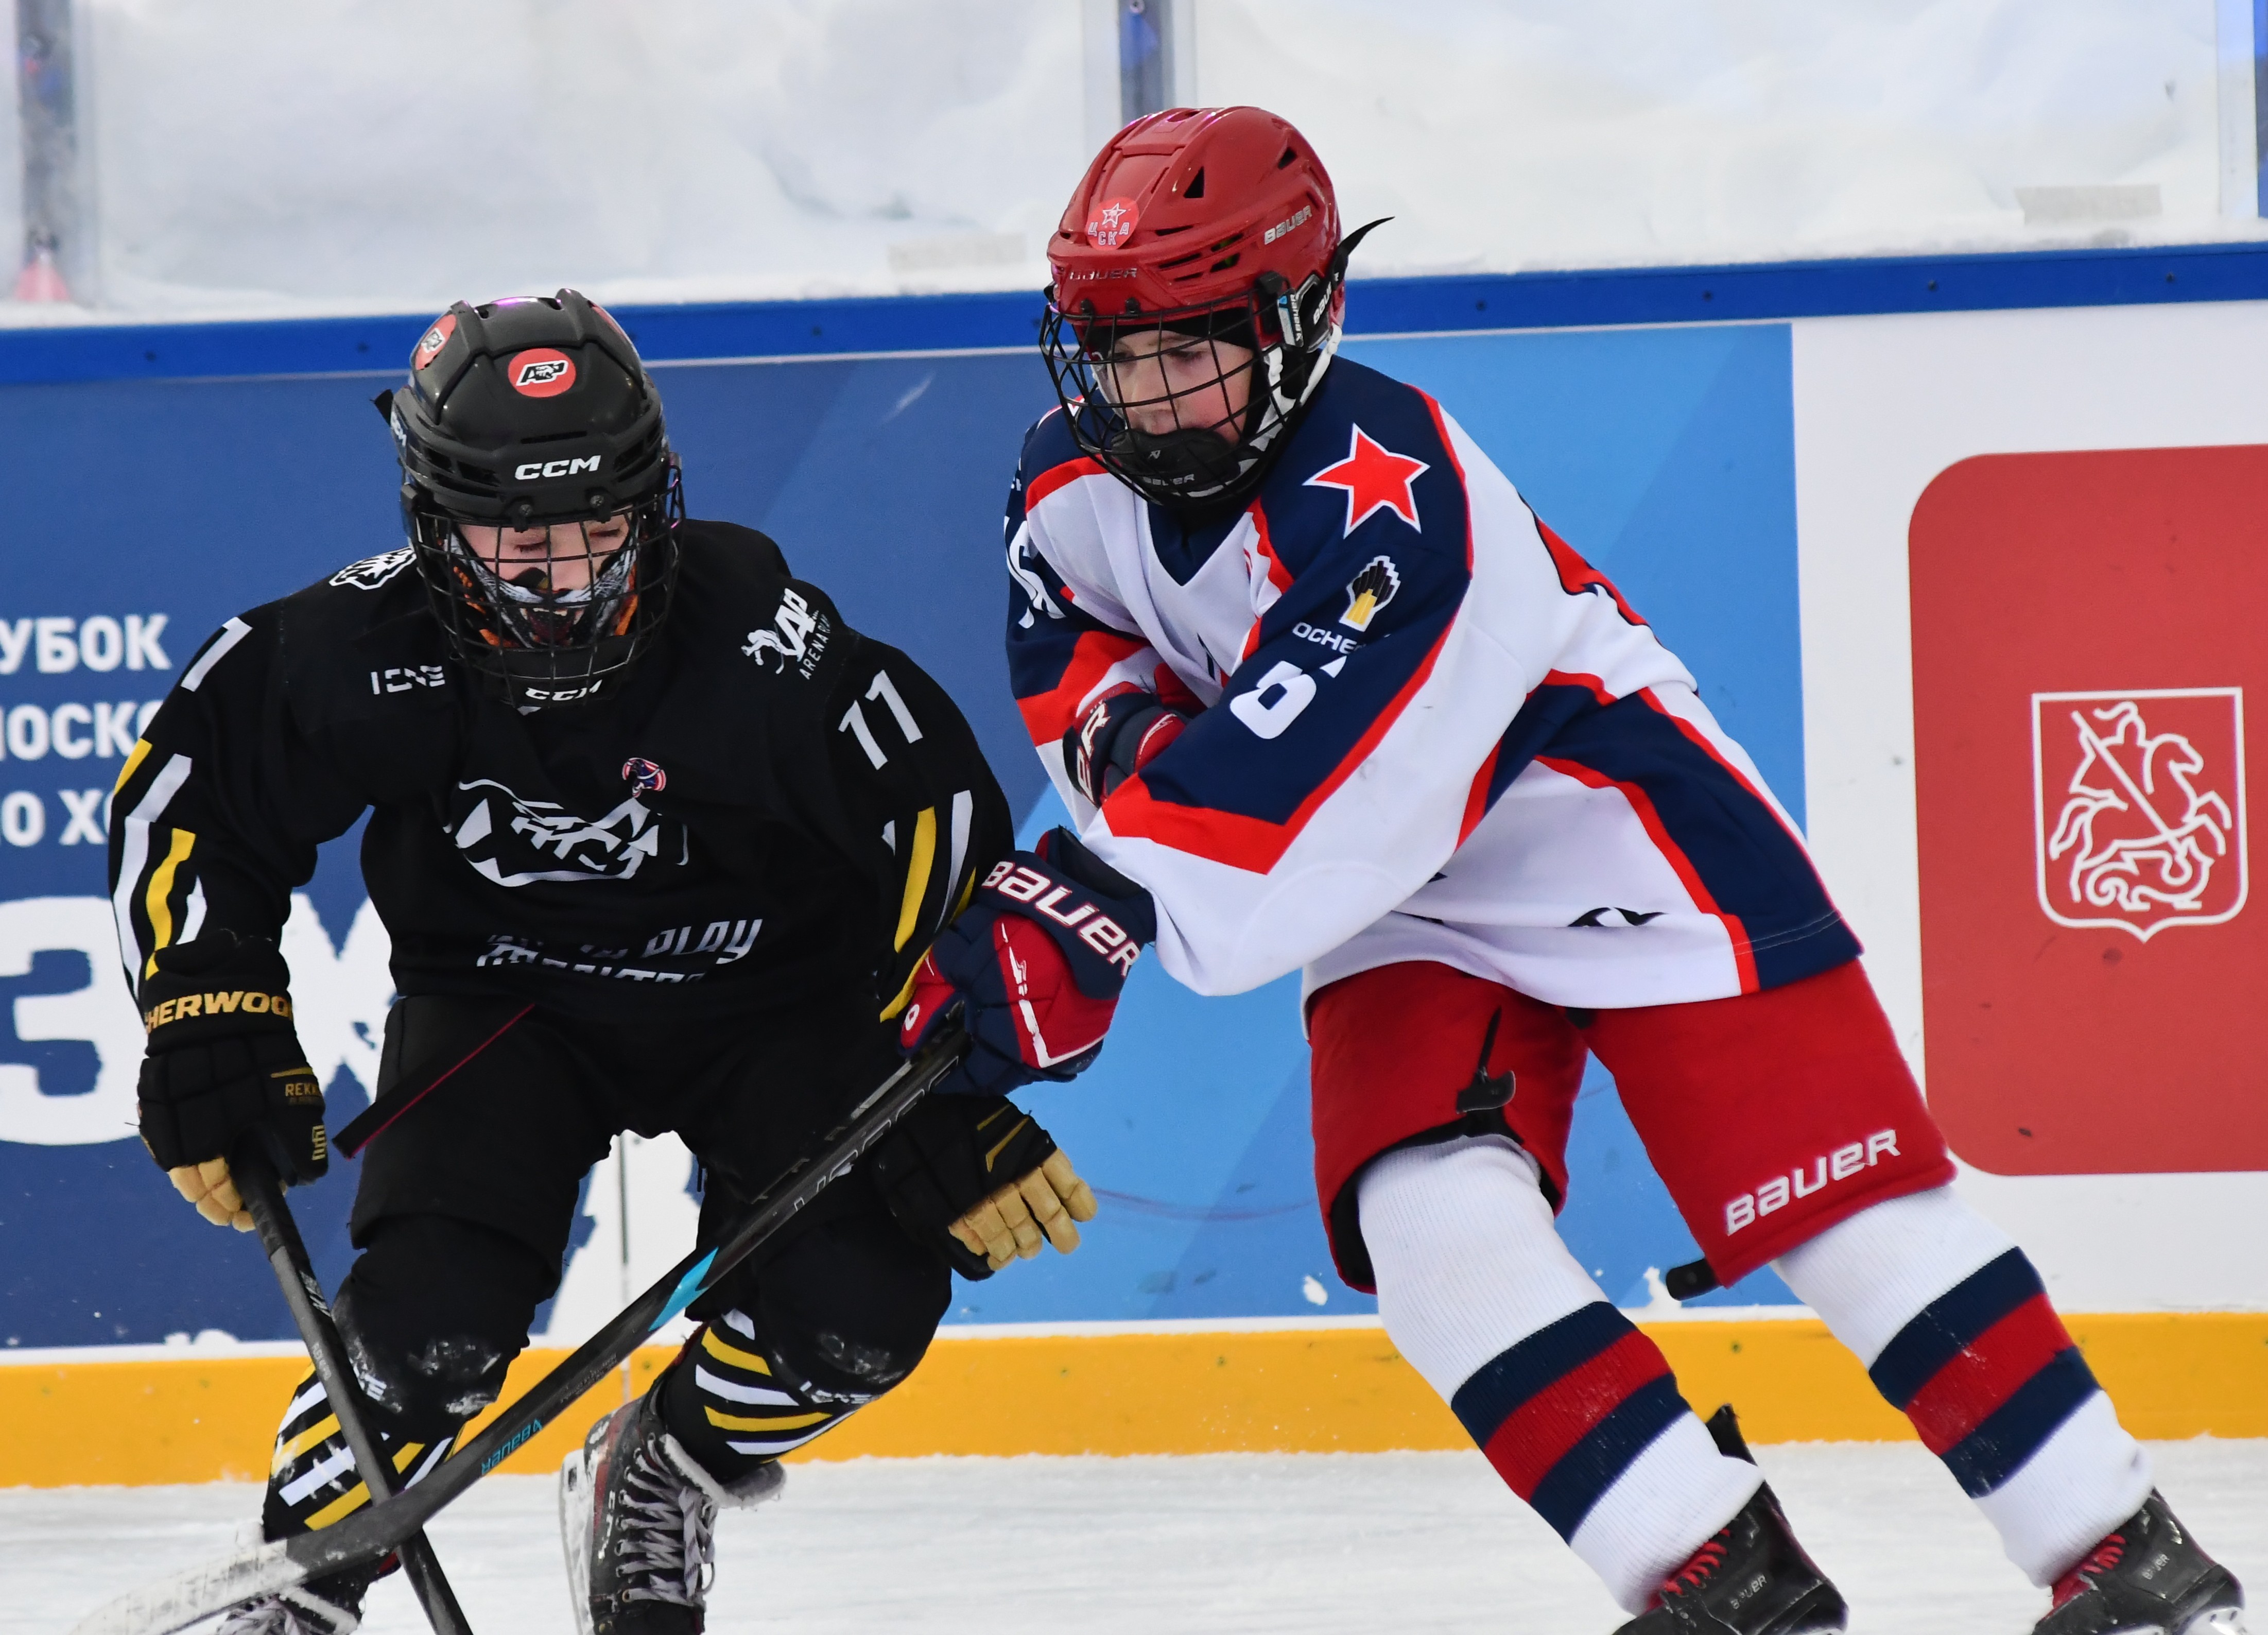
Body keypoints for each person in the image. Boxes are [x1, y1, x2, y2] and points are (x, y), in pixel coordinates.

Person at [960, 105, 2249, 1634]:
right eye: (1115, 350)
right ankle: (1718, 1572)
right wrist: (1114, 821)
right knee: (1428, 1225)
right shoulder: (1064, 484)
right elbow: (1082, 661)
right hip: (1407, 895)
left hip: (1617, 833)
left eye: (1194, 347)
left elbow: (1282, 791)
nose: (1148, 396)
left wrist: (1102, 893)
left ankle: (2128, 1561)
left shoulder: (1396, 492)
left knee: (1837, 1213)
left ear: (1303, 318)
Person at [112, 289, 1146, 1635]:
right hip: (502, 1007)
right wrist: (209, 1008)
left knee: (857, 1314)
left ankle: (662, 1468)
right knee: (430, 1330)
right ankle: (298, 1582)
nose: (569, 577)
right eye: (518, 536)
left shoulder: (763, 641)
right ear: (433, 523)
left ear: (656, 501)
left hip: (767, 1009)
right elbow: (191, 790)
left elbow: (938, 823)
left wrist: (942, 1083)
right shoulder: (364, 652)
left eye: (601, 527)